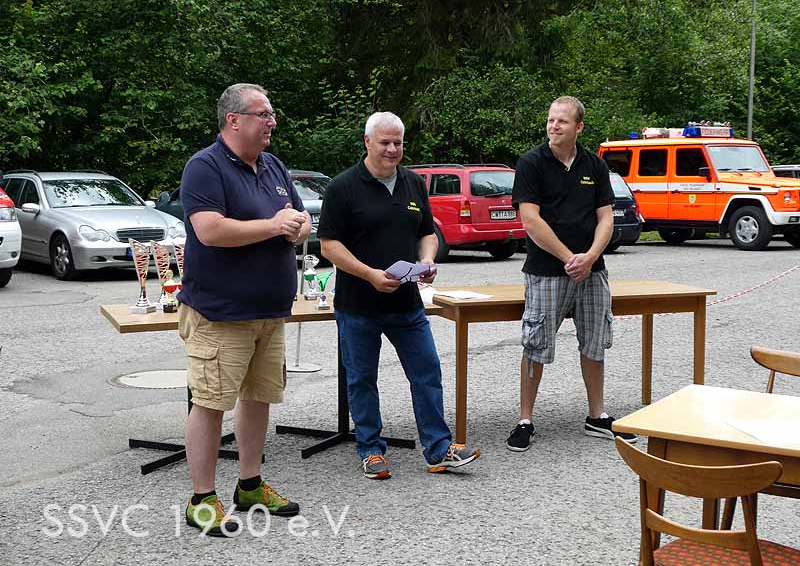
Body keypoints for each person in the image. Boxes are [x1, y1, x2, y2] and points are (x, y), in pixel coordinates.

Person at [177, 83, 311, 536]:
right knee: (210, 403)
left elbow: (299, 217)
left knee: (258, 398)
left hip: (269, 312)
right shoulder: (205, 166)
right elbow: (210, 230)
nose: (272, 122)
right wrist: (274, 225)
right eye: (263, 114)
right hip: (221, 313)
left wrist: (298, 225)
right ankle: (201, 500)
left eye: (272, 114)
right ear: (233, 120)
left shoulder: (273, 165)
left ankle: (250, 484)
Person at [317, 111, 480, 479]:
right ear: (367, 142)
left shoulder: (413, 183)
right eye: (385, 142)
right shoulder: (343, 186)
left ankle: (438, 448)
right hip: (358, 305)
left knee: (427, 373)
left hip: (407, 304)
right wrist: (369, 275)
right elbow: (329, 245)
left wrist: (427, 259)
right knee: (362, 379)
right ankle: (371, 450)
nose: (392, 149)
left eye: (398, 143)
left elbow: (427, 232)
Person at [507, 96, 638, 452]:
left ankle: (597, 416)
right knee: (535, 344)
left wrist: (591, 257)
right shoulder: (531, 163)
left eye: (562, 121)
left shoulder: (595, 166)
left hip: (592, 272)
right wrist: (570, 259)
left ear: (579, 127)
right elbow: (530, 220)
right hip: (547, 272)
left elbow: (606, 218)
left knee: (595, 342)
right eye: (551, 120)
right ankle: (525, 420)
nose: (554, 126)